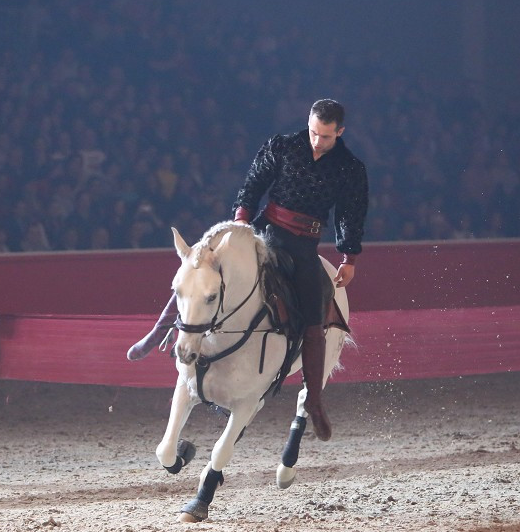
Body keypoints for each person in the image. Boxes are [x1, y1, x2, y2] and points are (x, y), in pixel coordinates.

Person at [126, 99, 368, 442]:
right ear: (308, 123)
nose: (317, 141)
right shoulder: (283, 146)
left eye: (325, 136)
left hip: (302, 246)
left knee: (316, 313)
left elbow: (351, 213)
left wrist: (349, 257)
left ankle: (313, 398)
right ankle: (155, 335)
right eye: (314, 132)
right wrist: (241, 220)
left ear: (339, 132)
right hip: (263, 231)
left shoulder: (349, 168)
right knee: (200, 269)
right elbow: (254, 183)